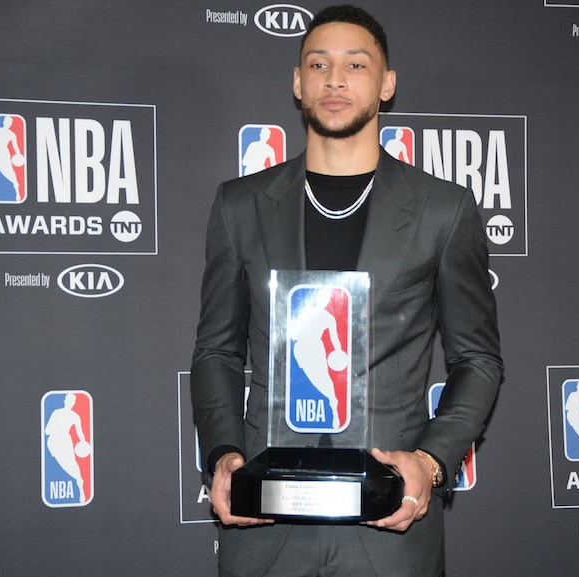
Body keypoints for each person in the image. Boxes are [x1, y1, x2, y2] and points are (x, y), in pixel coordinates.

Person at [190, 5, 503, 576]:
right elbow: (217, 351)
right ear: (298, 82)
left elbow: (477, 360)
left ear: (386, 84)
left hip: (389, 524)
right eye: (319, 64)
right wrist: (224, 455)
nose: (335, 79)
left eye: (356, 64)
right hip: (266, 521)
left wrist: (430, 462)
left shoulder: (443, 210)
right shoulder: (239, 206)